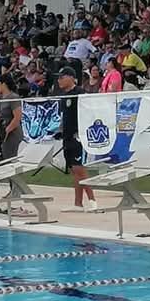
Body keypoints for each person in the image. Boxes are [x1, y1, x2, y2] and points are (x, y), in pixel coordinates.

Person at [54, 67, 97, 212]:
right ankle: (78, 203)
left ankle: (92, 200)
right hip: (67, 136)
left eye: (62, 77)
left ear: (71, 78)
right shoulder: (63, 96)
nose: (59, 80)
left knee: (80, 169)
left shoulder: (80, 93)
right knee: (74, 170)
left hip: (77, 137)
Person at [0, 74, 23, 162]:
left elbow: (17, 117)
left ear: (3, 84)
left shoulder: (13, 98)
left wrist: (7, 130)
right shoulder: (0, 98)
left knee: (9, 159)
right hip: (2, 131)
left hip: (12, 133)